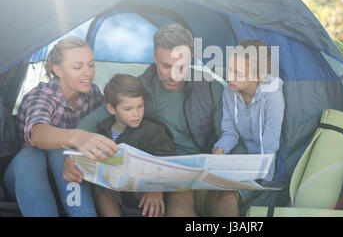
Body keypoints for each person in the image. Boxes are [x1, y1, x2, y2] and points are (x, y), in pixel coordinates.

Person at [63, 24, 242, 216]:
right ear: (155, 57)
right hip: (167, 174)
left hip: (205, 172)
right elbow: (92, 122)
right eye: (166, 66)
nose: (174, 74)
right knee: (181, 200)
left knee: (228, 198)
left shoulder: (209, 88)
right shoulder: (139, 89)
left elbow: (229, 133)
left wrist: (224, 162)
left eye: (181, 66)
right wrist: (73, 152)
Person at [2, 36, 118, 217]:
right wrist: (78, 137)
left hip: (69, 180)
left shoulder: (93, 94)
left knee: (64, 154)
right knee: (32, 155)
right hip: (26, 180)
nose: (87, 73)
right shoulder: (41, 97)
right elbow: (37, 134)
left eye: (91, 64)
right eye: (78, 67)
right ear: (58, 71)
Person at [94, 73, 175, 217]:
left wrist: (155, 189)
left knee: (155, 200)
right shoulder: (103, 129)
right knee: (101, 187)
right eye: (128, 109)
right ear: (111, 109)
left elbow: (166, 159)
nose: (136, 114)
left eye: (140, 106)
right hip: (117, 189)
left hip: (146, 190)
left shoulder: (154, 129)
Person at [212, 39, 285, 182]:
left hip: (264, 165)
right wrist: (218, 151)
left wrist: (263, 181)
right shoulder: (229, 91)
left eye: (238, 74)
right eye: (229, 69)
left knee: (228, 194)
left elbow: (269, 145)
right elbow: (230, 132)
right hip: (241, 154)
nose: (229, 77)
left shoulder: (273, 98)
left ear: (259, 76)